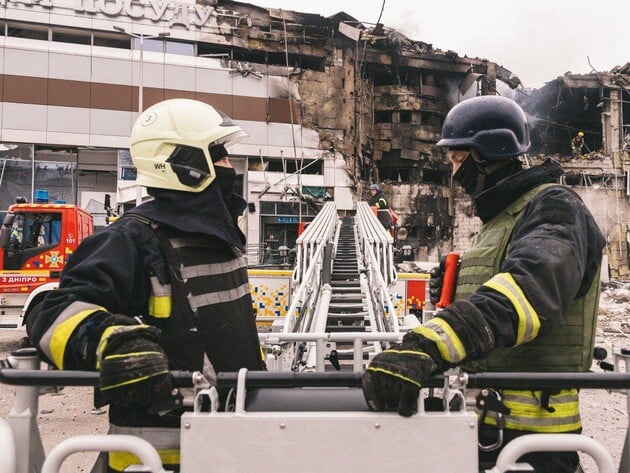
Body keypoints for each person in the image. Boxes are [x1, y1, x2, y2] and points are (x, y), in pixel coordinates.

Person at [362, 95, 605, 473]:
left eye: (458, 160)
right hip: (486, 431)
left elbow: (531, 291)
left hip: (532, 449)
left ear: (488, 156)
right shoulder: (500, 222)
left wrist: (429, 344)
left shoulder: (555, 207)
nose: (454, 172)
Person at [29, 98, 266, 472]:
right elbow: (51, 311)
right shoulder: (132, 238)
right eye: (217, 154)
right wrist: (114, 342)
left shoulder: (221, 239)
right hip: (155, 458)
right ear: (185, 164)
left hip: (232, 442)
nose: (228, 166)